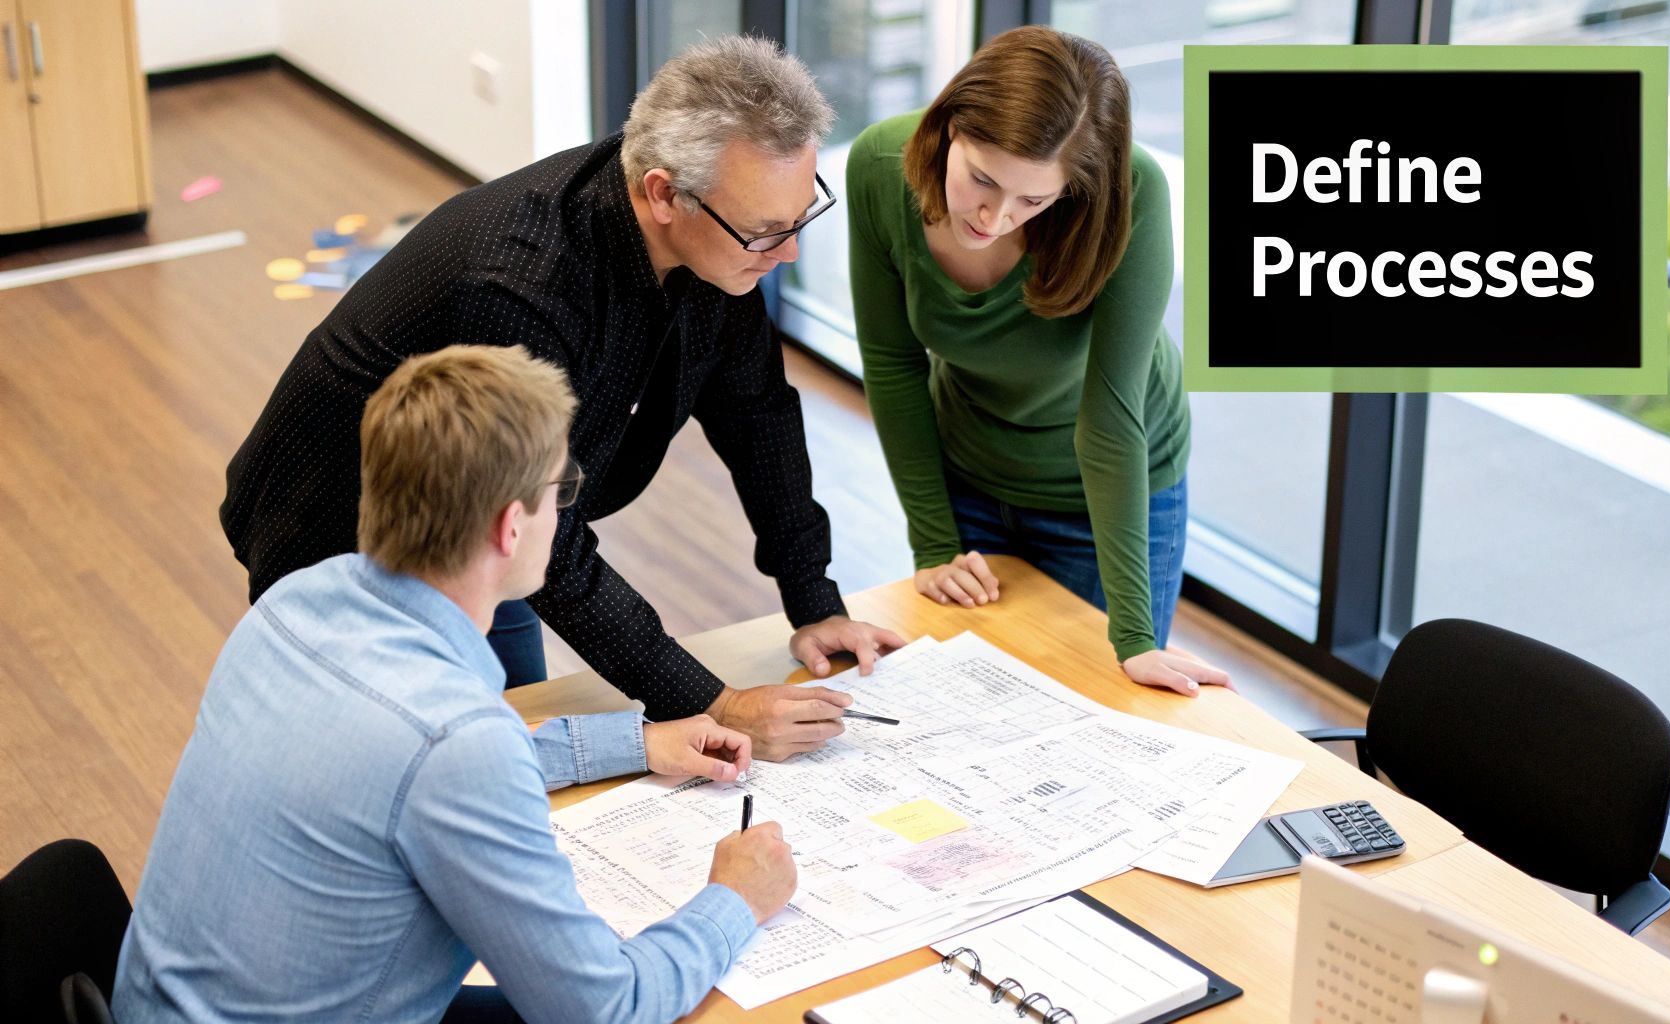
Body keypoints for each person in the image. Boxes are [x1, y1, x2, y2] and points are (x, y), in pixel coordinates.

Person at [220, 36, 903, 759]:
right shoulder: (523, 287)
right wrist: (715, 704)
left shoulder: (720, 241)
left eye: (799, 218)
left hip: (496, 536)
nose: (787, 252)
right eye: (765, 231)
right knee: (435, 760)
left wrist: (813, 598)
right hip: (349, 537)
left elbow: (757, 412)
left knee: (515, 746)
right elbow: (555, 532)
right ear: (664, 193)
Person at [115, 346, 797, 1023]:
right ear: (510, 526)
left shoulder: (291, 606)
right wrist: (736, 898)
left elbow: (400, 770)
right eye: (560, 490)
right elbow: (604, 1007)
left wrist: (635, 744)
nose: (563, 511)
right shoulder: (454, 741)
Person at [845, 26, 1228, 696]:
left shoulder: (1132, 192)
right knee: (967, 701)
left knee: (1094, 702)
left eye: (1033, 200)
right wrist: (933, 543)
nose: (994, 217)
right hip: (970, 469)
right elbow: (891, 362)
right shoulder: (880, 165)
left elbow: (1111, 418)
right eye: (981, 179)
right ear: (950, 124)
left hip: (1104, 492)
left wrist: (1135, 638)